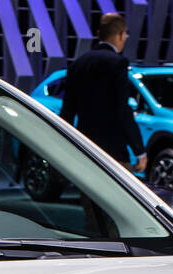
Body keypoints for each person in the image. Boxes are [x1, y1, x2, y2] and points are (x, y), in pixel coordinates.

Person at [60, 13, 146, 173]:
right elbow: (122, 109)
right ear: (121, 35)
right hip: (113, 151)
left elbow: (67, 111)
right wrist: (139, 150)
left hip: (85, 147)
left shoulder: (78, 63)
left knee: (87, 194)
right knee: (118, 196)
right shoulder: (118, 63)